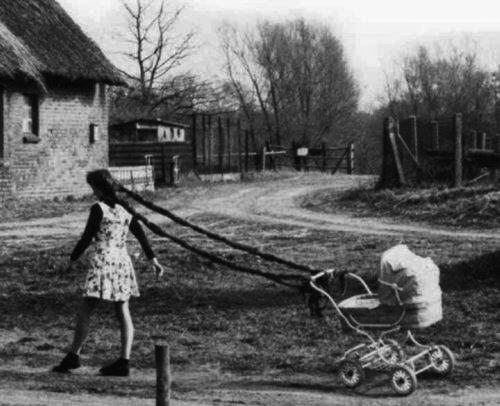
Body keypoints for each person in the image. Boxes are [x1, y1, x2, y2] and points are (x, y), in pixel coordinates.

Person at [52, 169, 165, 376]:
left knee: (86, 309)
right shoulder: (125, 208)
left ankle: (74, 356)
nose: (92, 191)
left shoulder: (98, 208)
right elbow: (140, 234)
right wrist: (153, 260)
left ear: (99, 187)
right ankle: (124, 360)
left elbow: (86, 238)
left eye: (93, 187)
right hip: (122, 261)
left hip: (102, 261)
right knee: (123, 310)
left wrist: (71, 260)